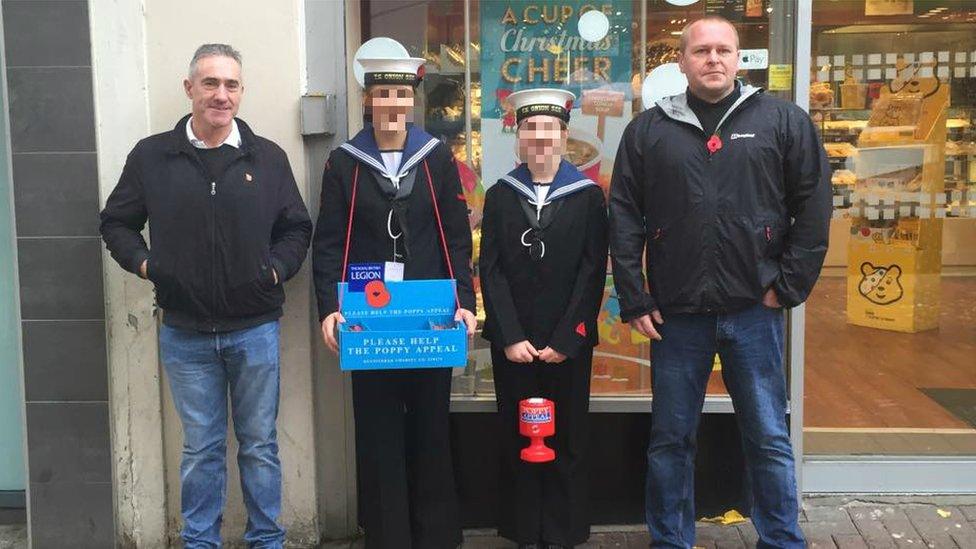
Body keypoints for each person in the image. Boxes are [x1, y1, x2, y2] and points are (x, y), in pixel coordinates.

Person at [609, 16, 831, 549]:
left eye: (724, 50)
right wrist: (634, 296)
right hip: (676, 314)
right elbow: (623, 216)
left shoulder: (782, 121)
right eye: (701, 50)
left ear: (739, 59)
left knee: (769, 436)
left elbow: (814, 206)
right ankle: (670, 540)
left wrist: (789, 285)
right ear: (681, 61)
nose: (713, 59)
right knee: (670, 440)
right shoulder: (649, 130)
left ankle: (781, 539)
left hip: (754, 308)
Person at [100, 43, 312, 548]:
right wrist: (149, 265)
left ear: (241, 92)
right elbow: (117, 223)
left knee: (259, 446)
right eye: (211, 83)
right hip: (186, 332)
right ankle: (200, 542)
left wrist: (275, 271)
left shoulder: (267, 157)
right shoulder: (153, 156)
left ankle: (267, 540)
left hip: (255, 328)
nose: (222, 95)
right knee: (201, 449)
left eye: (231, 85)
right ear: (189, 88)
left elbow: (296, 228)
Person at [311, 53, 477, 549]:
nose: (392, 103)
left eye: (402, 94)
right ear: (367, 99)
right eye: (382, 93)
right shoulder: (345, 161)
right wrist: (329, 306)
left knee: (430, 428)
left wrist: (464, 301)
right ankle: (387, 537)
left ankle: (436, 537)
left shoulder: (437, 157)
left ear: (413, 100)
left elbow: (454, 235)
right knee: (379, 431)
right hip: (370, 319)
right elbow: (330, 242)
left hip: (428, 315)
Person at [479, 88, 608, 549]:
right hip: (514, 344)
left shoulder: (589, 197)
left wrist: (567, 338)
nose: (539, 138)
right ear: (517, 136)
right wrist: (509, 335)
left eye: (548, 129)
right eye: (529, 128)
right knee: (516, 432)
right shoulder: (499, 195)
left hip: (565, 343)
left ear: (564, 136)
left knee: (568, 437)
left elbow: (593, 271)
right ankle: (522, 527)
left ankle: (563, 529)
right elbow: (488, 270)